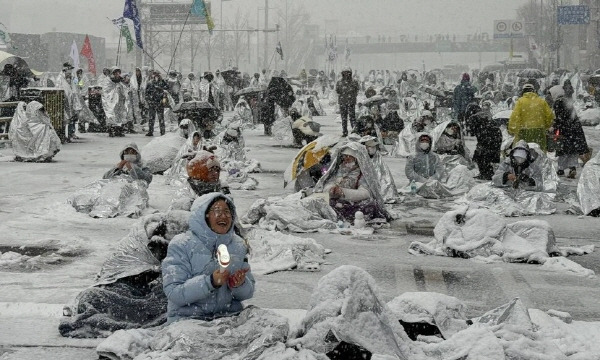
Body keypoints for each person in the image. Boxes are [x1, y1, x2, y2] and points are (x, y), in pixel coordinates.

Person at [162, 193, 254, 323]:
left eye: (227, 211)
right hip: (188, 320)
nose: (223, 216)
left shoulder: (237, 245)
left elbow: (248, 293)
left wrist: (239, 284)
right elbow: (174, 293)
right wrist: (210, 282)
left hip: (228, 318)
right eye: (217, 211)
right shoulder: (182, 244)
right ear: (203, 216)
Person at [316, 143, 389, 223]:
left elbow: (366, 193)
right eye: (344, 157)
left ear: (357, 159)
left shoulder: (363, 173)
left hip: (354, 202)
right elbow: (328, 183)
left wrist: (343, 192)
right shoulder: (339, 170)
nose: (346, 159)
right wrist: (331, 189)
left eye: (349, 157)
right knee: (322, 202)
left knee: (370, 206)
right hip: (338, 201)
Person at [552, 86, 589, 178]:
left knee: (563, 150)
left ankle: (560, 169)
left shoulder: (558, 102)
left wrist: (555, 126)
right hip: (574, 128)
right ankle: (572, 168)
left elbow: (559, 118)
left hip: (565, 129)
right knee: (572, 150)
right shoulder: (566, 101)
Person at [508, 83, 554, 151]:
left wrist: (512, 130)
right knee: (539, 152)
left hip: (523, 132)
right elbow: (550, 116)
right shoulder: (541, 101)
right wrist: (546, 126)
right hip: (539, 131)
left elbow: (515, 117)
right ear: (534, 91)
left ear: (523, 91)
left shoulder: (520, 102)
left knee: (523, 152)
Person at [469, 101, 502, 180]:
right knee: (484, 156)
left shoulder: (476, 119)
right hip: (492, 138)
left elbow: (475, 133)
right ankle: (486, 172)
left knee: (482, 155)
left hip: (489, 139)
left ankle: (486, 173)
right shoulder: (482, 118)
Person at [102, 66, 127, 137]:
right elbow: (106, 91)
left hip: (119, 103)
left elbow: (124, 89)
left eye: (118, 73)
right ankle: (111, 130)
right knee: (111, 116)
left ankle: (119, 130)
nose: (117, 74)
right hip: (111, 102)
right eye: (116, 73)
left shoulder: (120, 81)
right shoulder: (108, 81)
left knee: (119, 116)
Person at [335, 67, 360, 136]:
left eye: (347, 73)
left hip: (349, 102)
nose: (346, 74)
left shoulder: (353, 82)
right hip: (344, 102)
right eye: (345, 73)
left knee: (351, 118)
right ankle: (345, 131)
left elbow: (357, 90)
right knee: (345, 118)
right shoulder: (340, 82)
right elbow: (337, 91)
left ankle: (354, 131)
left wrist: (350, 95)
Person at [145, 70, 169, 136]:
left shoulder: (163, 82)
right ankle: (150, 131)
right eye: (155, 74)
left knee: (161, 118)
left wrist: (161, 88)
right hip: (152, 103)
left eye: (157, 74)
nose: (156, 76)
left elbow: (167, 89)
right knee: (151, 118)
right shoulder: (150, 83)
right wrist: (149, 101)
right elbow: (146, 93)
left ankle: (162, 132)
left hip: (160, 103)